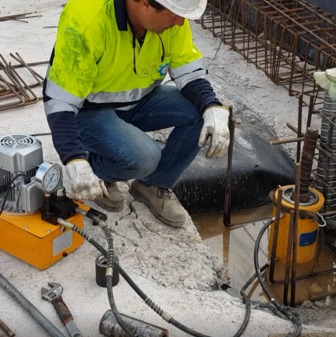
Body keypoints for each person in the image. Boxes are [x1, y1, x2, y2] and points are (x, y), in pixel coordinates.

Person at [43, 0, 230, 228]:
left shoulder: (172, 19)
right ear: (143, 3)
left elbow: (189, 71)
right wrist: (73, 158)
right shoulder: (88, 18)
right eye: (175, 15)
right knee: (144, 157)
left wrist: (212, 107)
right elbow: (60, 102)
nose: (181, 22)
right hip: (89, 112)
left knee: (202, 113)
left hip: (140, 102)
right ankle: (95, 171)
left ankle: (152, 185)